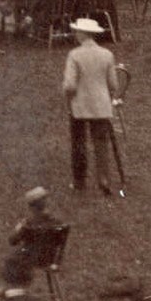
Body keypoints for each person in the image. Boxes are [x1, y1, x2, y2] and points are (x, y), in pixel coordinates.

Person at [62, 18, 120, 196]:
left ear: (82, 34)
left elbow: (70, 85)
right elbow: (113, 84)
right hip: (101, 104)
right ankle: (103, 179)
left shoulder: (75, 55)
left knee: (79, 142)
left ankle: (80, 181)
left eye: (77, 31)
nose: (75, 34)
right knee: (101, 143)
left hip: (79, 104)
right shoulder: (106, 54)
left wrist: (67, 95)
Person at [8, 187, 62, 269]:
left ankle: (21, 279)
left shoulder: (29, 223)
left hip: (31, 259)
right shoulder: (56, 221)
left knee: (11, 257)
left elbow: (12, 240)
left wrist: (19, 227)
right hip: (50, 258)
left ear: (31, 206)